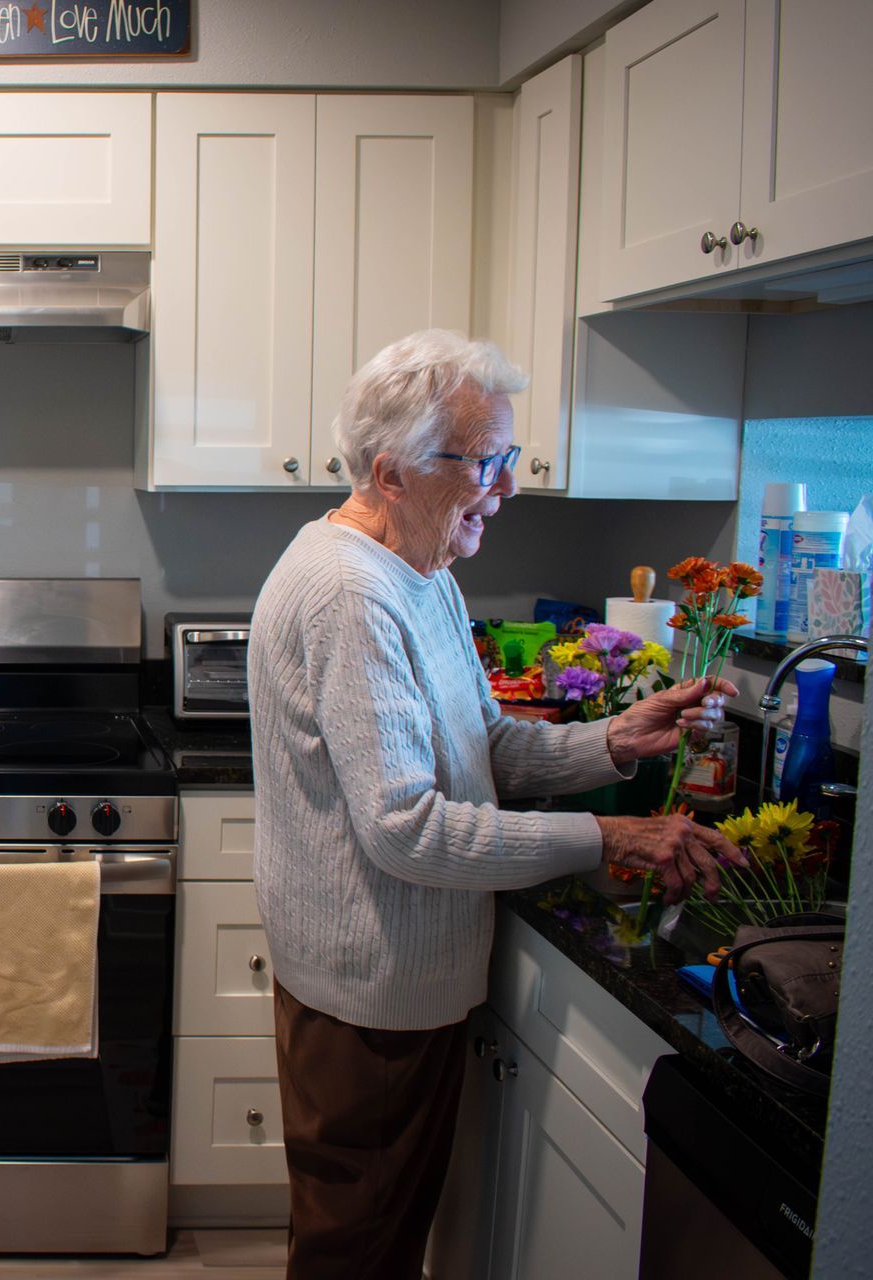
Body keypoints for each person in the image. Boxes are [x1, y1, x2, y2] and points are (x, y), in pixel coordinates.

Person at [248, 330, 743, 1279]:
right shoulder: (352, 595)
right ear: (393, 472)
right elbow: (409, 830)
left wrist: (613, 739)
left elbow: (485, 745)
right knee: (360, 1249)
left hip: (389, 981)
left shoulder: (421, 569)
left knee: (373, 1235)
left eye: (505, 456)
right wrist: (610, 835)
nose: (507, 485)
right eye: (484, 461)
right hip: (372, 995)